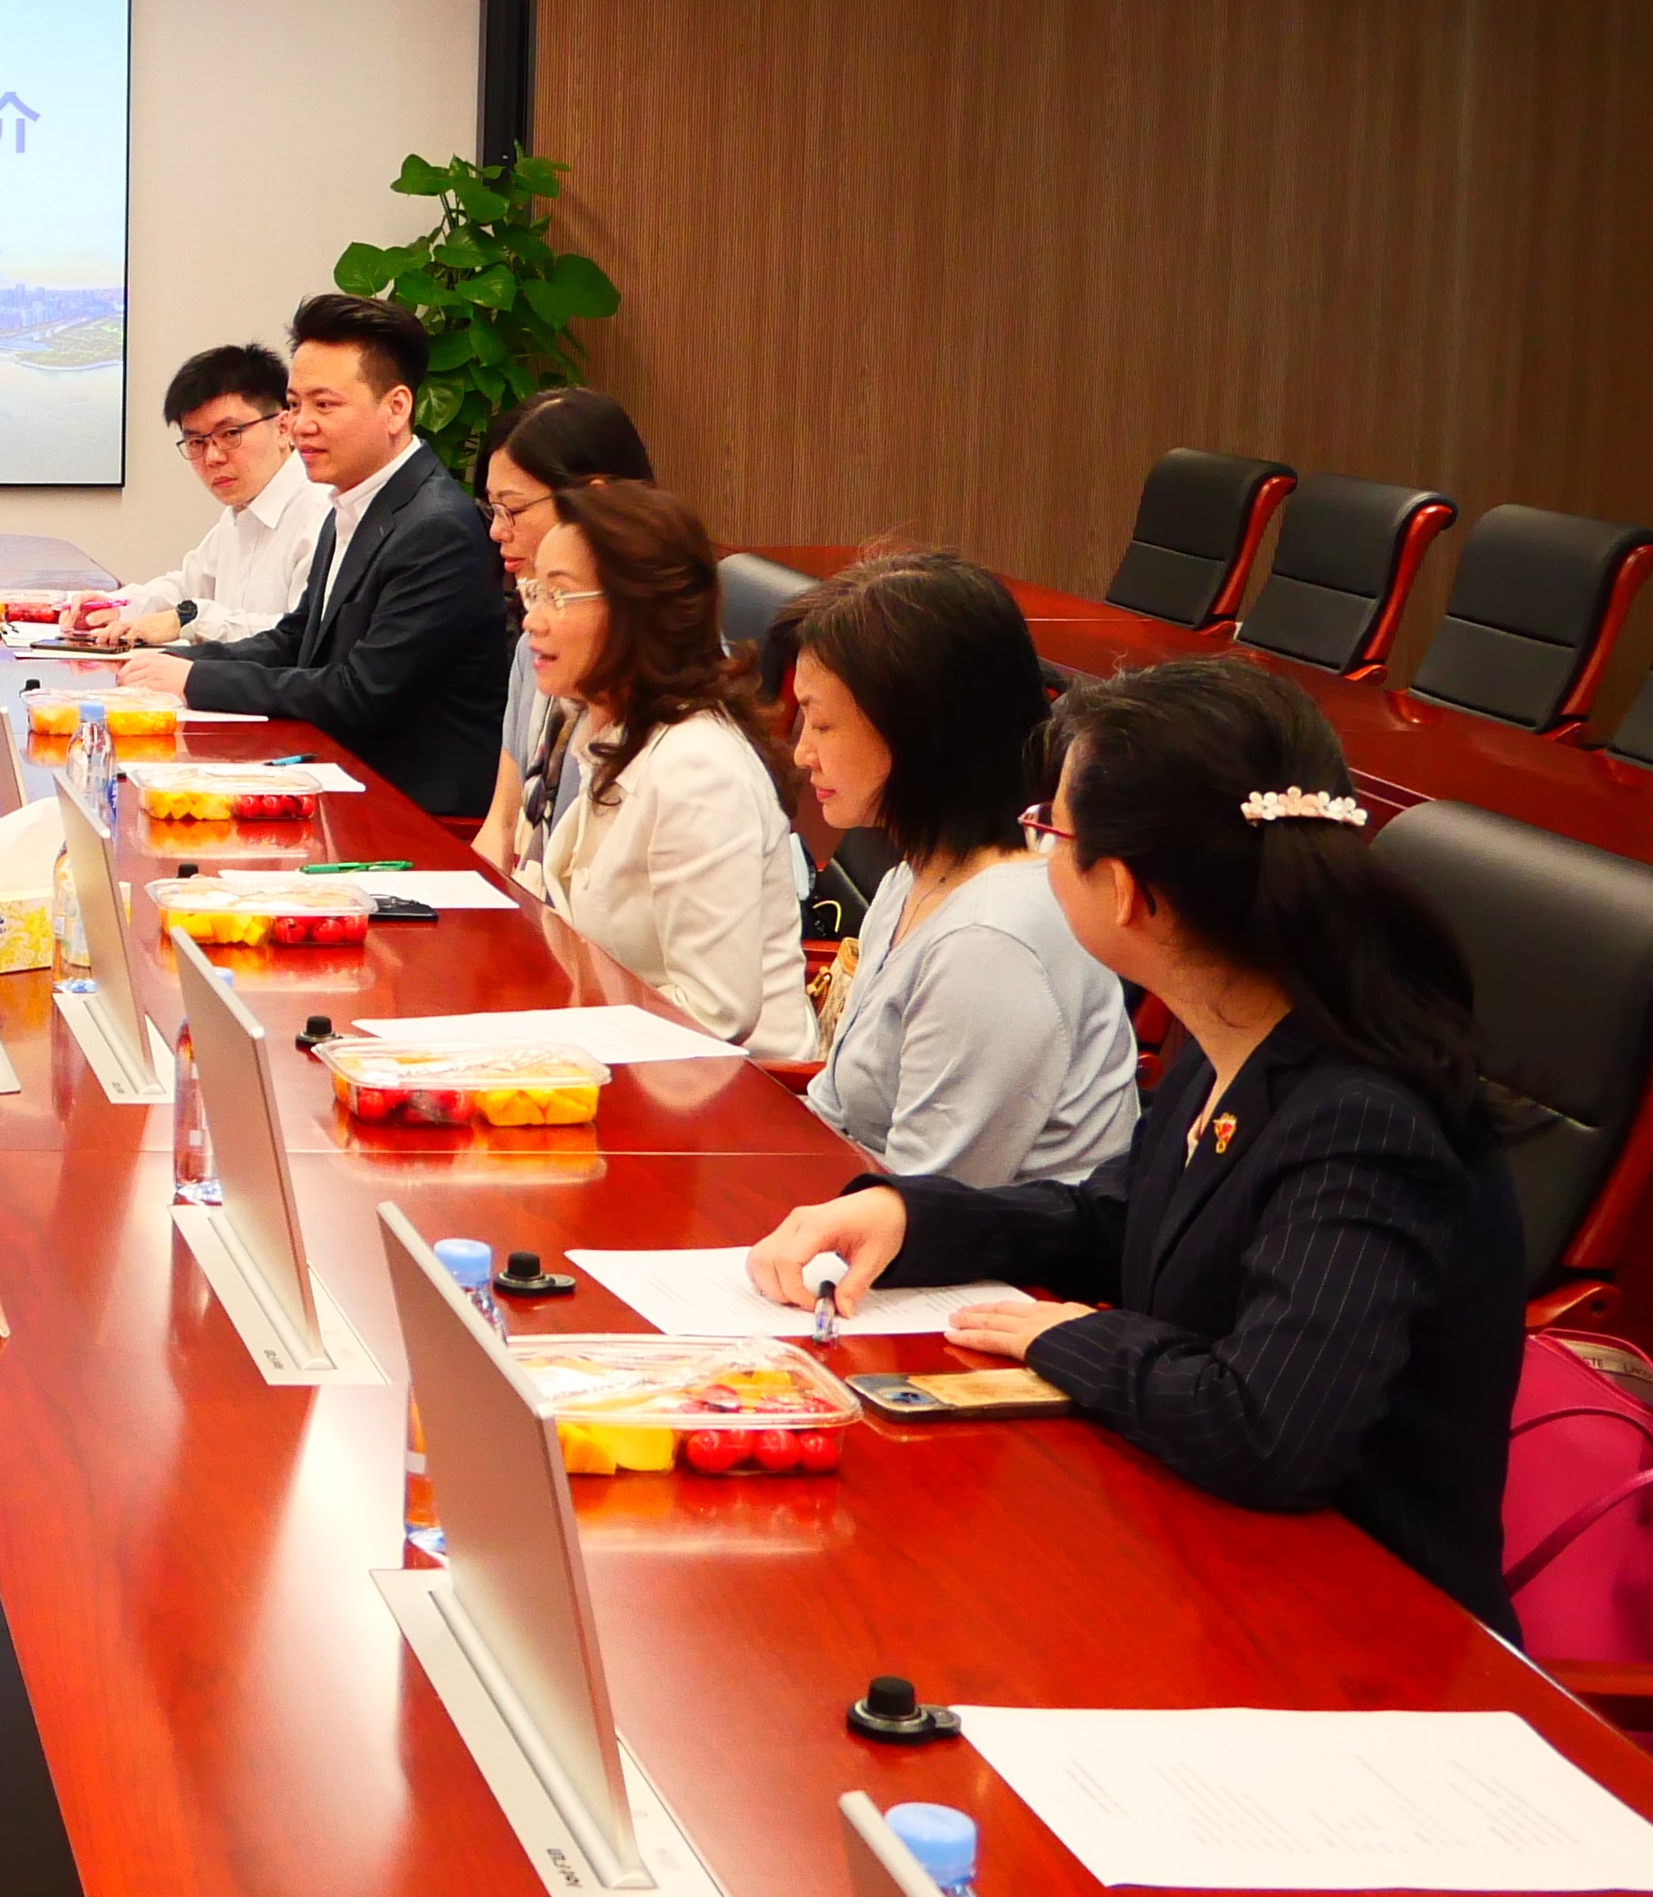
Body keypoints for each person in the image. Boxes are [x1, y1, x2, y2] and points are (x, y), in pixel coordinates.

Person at [759, 659, 1522, 1626]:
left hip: (1358, 1631)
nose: (1038, 849)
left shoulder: (1364, 1118)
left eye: (1052, 831)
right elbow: (1118, 1218)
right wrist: (907, 1213)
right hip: (1196, 1558)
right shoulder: (1235, 1035)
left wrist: (1069, 1336)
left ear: (1122, 890)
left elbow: (1268, 1429)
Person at [765, 551, 1135, 1186]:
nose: (802, 752)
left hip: (990, 1274)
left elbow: (929, 1200)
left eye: (822, 724)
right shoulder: (915, 875)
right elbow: (830, 1113)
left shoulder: (992, 942)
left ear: (917, 733)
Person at [141, 294, 510, 823]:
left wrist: (192, 682)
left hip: (413, 820)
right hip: (344, 790)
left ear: (396, 408)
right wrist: (179, 664)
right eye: (294, 405)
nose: (299, 425)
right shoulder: (355, 502)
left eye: (324, 405)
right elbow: (297, 640)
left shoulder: (436, 527)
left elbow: (359, 692)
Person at [512, 480, 814, 1060]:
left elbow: (713, 1014)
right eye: (533, 593)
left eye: (558, 595)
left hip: (740, 1109)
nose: (532, 621)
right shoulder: (611, 729)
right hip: (636, 1073)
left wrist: (548, 1038)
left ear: (636, 611)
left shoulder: (696, 768)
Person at [470, 388, 655, 874]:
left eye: (513, 509)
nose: (497, 531)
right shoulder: (538, 638)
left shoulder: (662, 662)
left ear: (595, 502)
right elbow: (502, 826)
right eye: (493, 510)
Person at [109, 341, 325, 647]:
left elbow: (299, 638)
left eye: (230, 434)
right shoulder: (240, 511)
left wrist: (191, 619)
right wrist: (112, 608)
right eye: (196, 442)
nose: (212, 457)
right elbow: (186, 588)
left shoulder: (321, 513)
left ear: (283, 428)